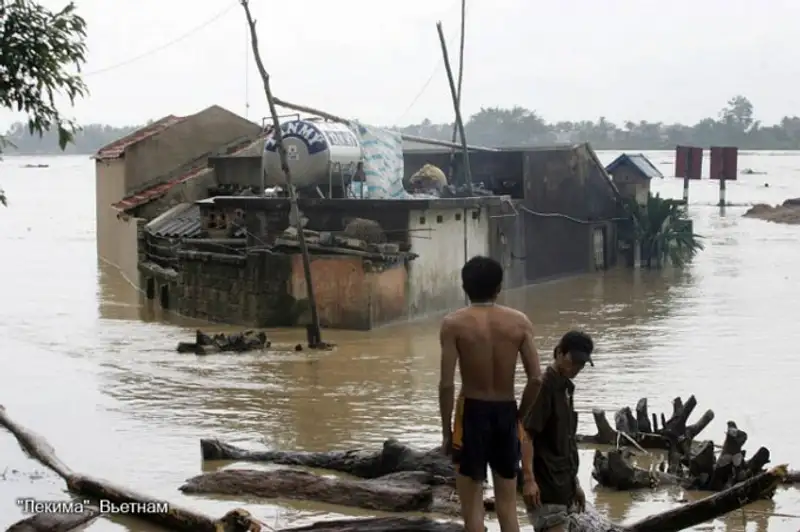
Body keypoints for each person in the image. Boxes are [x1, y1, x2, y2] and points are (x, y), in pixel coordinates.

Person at [439, 255, 544, 532]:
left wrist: (446, 432)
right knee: (508, 507)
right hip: (505, 410)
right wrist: (519, 416)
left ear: (464, 287)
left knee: (471, 509)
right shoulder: (520, 323)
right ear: (499, 287)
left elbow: (446, 384)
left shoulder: (453, 324)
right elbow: (536, 379)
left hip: (471, 411)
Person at [521, 330, 595, 532]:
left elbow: (565, 444)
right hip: (546, 489)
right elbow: (526, 434)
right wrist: (528, 480)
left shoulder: (565, 389)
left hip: (563, 487)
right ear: (560, 353)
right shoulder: (544, 387)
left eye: (582, 364)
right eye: (574, 361)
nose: (577, 368)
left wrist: (575, 484)